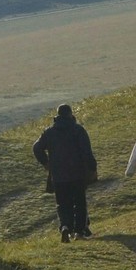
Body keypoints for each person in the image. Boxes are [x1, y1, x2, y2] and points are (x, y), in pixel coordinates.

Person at [33, 103, 97, 242]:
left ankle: (65, 227)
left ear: (57, 115)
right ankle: (79, 232)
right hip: (77, 173)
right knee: (79, 202)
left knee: (62, 203)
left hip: (58, 175)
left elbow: (37, 148)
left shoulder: (49, 132)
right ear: (70, 114)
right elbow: (87, 152)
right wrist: (92, 168)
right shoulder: (78, 130)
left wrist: (46, 163)